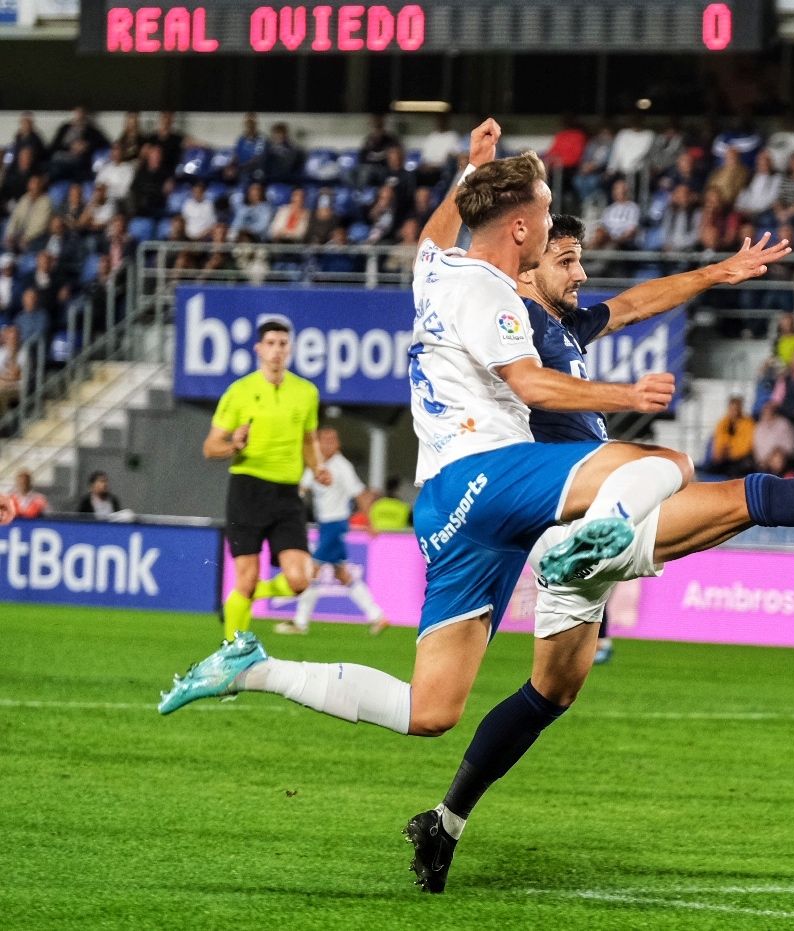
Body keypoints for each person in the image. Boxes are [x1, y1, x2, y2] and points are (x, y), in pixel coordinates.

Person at [158, 119, 696, 883]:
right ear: (520, 223)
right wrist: (626, 393)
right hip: (491, 476)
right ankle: (605, 534)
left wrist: (467, 171)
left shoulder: (435, 271)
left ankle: (254, 666)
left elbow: (436, 234)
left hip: (447, 500)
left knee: (431, 710)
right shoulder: (488, 292)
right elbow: (533, 385)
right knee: (660, 462)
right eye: (546, 209)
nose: (552, 221)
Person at [422, 209, 794, 895]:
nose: (580, 271)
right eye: (566, 258)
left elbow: (634, 303)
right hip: (568, 517)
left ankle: (444, 821)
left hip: (590, 520)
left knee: (550, 692)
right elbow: (472, 282)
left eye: (578, 258)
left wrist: (720, 271)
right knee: (749, 497)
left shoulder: (565, 326)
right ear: (528, 262)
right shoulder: (508, 314)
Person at [200, 317, 327, 641]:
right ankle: (230, 654)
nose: (276, 351)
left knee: (300, 580)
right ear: (258, 349)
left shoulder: (306, 392)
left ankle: (248, 596)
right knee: (246, 576)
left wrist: (317, 466)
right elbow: (210, 447)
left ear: (290, 349)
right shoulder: (240, 391)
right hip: (248, 488)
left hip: (287, 494)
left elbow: (308, 440)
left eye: (282, 344)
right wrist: (233, 445)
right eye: (270, 344)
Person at [279, 426, 387, 636]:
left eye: (332, 440)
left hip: (335, 525)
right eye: (323, 440)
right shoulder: (316, 464)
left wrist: (370, 523)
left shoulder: (342, 467)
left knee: (312, 572)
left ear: (338, 444)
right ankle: (377, 616)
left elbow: (360, 494)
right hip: (325, 525)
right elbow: (302, 489)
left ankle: (300, 623)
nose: (328, 444)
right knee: (342, 574)